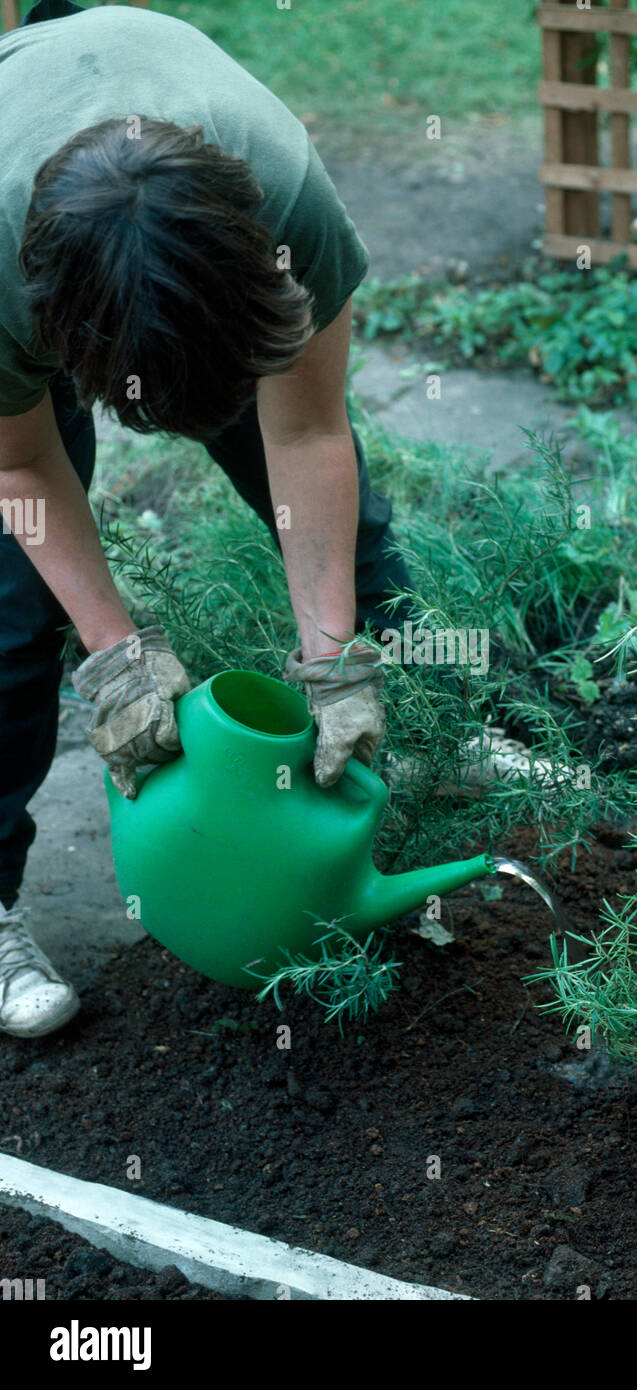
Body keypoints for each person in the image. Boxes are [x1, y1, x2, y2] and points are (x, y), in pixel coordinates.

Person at [0, 1, 413, 1038]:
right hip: (37, 273)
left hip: (200, 253)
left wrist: (334, 656)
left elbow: (309, 433)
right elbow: (22, 459)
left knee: (351, 549)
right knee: (8, 616)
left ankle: (401, 774)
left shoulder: (284, 201)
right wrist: (115, 653)